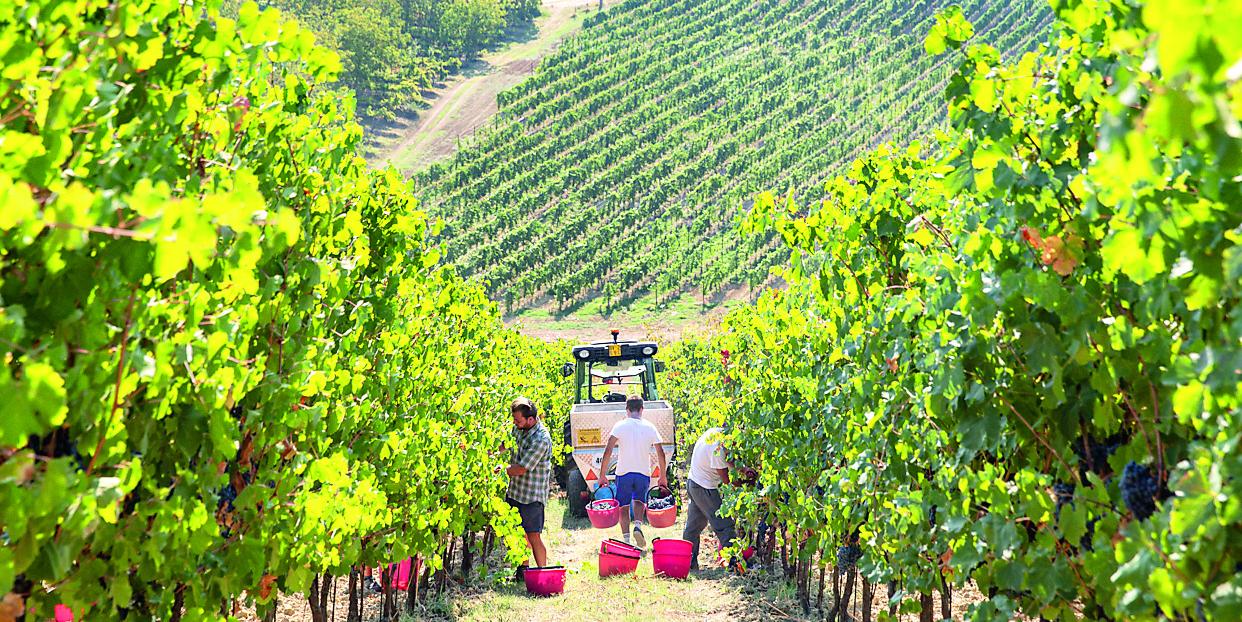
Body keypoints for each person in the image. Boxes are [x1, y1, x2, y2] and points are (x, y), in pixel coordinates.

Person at [598, 395, 668, 550]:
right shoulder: (650, 427)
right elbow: (661, 453)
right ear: (642, 409)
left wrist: (602, 475)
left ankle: (627, 540)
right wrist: (663, 476)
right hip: (643, 472)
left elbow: (608, 450)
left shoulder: (620, 426)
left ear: (627, 410)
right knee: (639, 501)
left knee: (623, 507)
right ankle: (637, 525)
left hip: (624, 472)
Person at [505, 396, 552, 573]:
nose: (514, 423)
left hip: (532, 495)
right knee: (518, 533)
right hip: (515, 491)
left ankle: (544, 573)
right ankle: (523, 570)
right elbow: (505, 444)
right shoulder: (519, 428)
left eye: (518, 420)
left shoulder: (541, 439)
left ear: (530, 419)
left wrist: (499, 469)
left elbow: (522, 468)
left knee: (533, 535)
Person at [682, 426, 740, 571]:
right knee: (725, 525)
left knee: (694, 527)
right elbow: (725, 479)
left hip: (693, 483)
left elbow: (729, 459)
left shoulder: (715, 433)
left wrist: (742, 469)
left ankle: (688, 563)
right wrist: (743, 484)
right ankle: (733, 564)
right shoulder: (717, 448)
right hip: (704, 488)